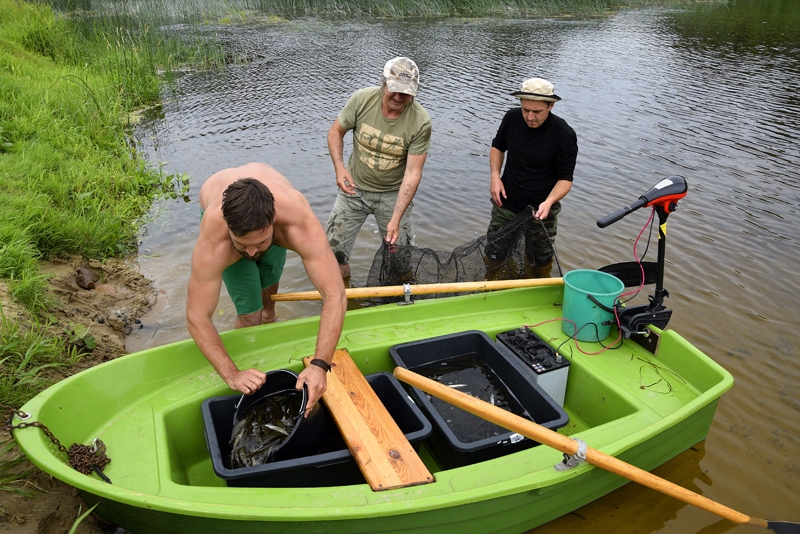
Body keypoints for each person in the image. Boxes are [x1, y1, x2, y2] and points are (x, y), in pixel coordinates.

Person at [187, 163, 347, 416]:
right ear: (229, 227)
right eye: (243, 244)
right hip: (220, 202)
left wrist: (319, 365)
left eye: (259, 243)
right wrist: (232, 374)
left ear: (273, 221)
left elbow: (334, 294)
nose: (251, 252)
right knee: (250, 314)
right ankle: (251, 363)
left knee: (268, 307)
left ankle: (269, 316)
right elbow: (197, 315)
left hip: (272, 217)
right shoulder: (215, 235)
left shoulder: (297, 222)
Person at [325, 56, 432, 279]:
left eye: (405, 92)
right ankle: (342, 298)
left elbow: (413, 173)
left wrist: (396, 218)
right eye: (393, 89)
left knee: (400, 259)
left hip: (393, 195)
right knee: (331, 255)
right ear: (383, 82)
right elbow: (336, 131)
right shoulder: (361, 100)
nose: (398, 97)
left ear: (414, 92)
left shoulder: (420, 121)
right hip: (353, 190)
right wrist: (339, 168)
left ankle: (398, 304)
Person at [487, 77, 578, 277]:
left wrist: (549, 202)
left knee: (540, 260)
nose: (530, 117)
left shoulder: (564, 135)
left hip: (542, 210)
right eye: (525, 109)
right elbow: (498, 146)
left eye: (536, 111)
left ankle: (533, 289)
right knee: (494, 253)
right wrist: (495, 176)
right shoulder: (511, 118)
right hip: (507, 202)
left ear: (551, 105)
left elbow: (566, 179)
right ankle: (493, 286)